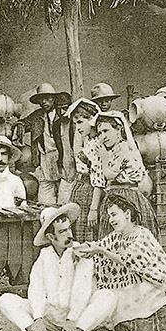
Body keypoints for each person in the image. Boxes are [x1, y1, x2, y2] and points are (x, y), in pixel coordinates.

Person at [71, 195, 166, 331]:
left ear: (128, 214)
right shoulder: (117, 236)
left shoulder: (142, 235)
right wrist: (78, 248)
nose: (111, 220)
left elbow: (126, 259)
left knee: (154, 326)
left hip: (158, 287)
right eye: (109, 216)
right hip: (137, 290)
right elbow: (99, 245)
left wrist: (100, 250)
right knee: (121, 323)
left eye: (114, 215)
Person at [0, 204, 94, 331]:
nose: (70, 235)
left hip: (76, 317)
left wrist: (72, 319)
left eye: (69, 228)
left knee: (107, 297)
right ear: (50, 237)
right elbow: (36, 288)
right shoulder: (44, 255)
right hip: (50, 316)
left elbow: (82, 289)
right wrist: (37, 317)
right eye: (62, 231)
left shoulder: (80, 251)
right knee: (5, 300)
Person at [93, 111, 159, 240]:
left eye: (106, 131)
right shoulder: (113, 149)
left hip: (127, 197)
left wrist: (104, 158)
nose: (103, 136)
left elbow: (109, 175)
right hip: (115, 196)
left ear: (118, 130)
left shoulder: (124, 148)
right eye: (100, 133)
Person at [13, 84, 74, 205]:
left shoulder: (64, 114)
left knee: (65, 199)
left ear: (54, 98)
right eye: (41, 99)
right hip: (45, 159)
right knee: (45, 201)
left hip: (63, 159)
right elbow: (25, 122)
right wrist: (20, 125)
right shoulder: (37, 116)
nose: (44, 102)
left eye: (47, 98)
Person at [63, 98, 104, 241]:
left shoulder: (100, 143)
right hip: (80, 189)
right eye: (75, 123)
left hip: (91, 194)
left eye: (80, 122)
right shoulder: (87, 139)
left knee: (88, 233)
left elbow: (99, 179)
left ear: (92, 119)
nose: (78, 127)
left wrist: (93, 209)